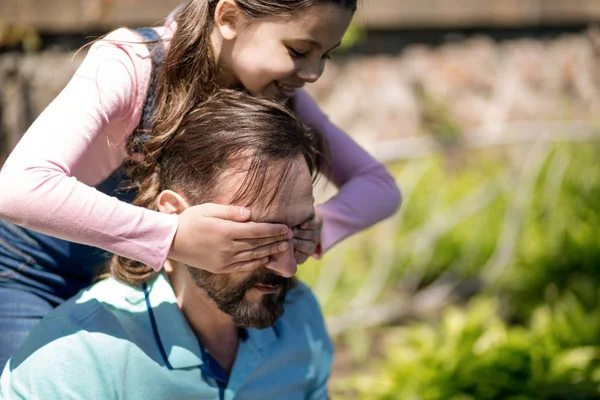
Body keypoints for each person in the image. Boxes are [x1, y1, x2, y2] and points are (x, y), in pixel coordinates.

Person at [0, 0, 401, 367]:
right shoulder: (133, 64)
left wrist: (312, 230)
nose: (313, 73)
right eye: (298, 51)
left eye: (325, 55)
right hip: (35, 277)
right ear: (227, 18)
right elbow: (19, 188)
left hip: (136, 290)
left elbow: (379, 186)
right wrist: (173, 236)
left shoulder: (277, 94)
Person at [1, 90, 333, 399]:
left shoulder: (300, 320)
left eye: (300, 229)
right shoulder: (77, 358)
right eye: (255, 239)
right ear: (172, 215)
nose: (288, 266)